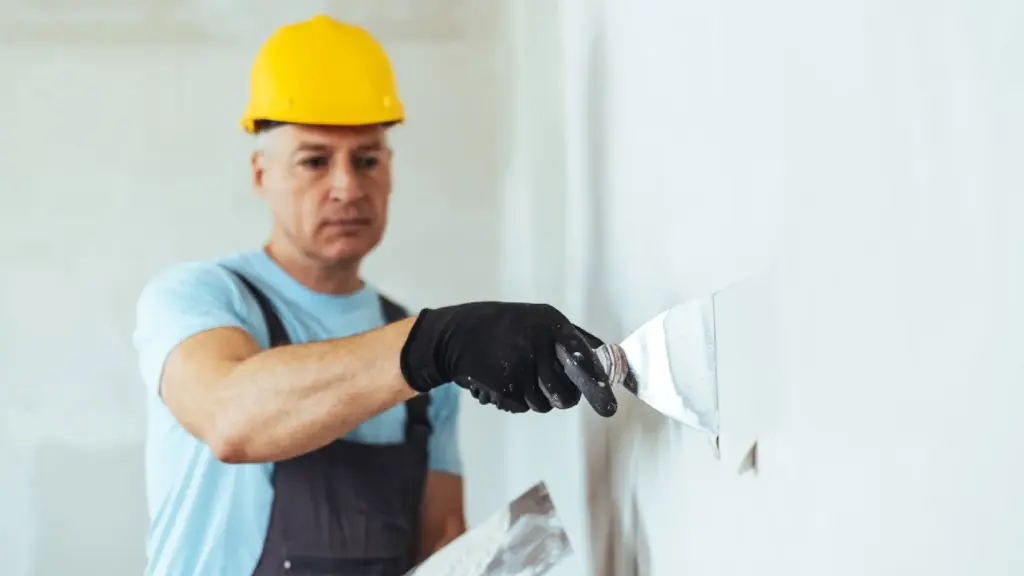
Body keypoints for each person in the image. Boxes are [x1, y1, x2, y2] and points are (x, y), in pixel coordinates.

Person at [132, 13, 617, 576]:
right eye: (314, 161)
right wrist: (435, 343)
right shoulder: (197, 299)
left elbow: (440, 546)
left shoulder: (419, 353)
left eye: (367, 160)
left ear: (389, 172)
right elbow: (230, 418)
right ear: (261, 174)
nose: (347, 186)